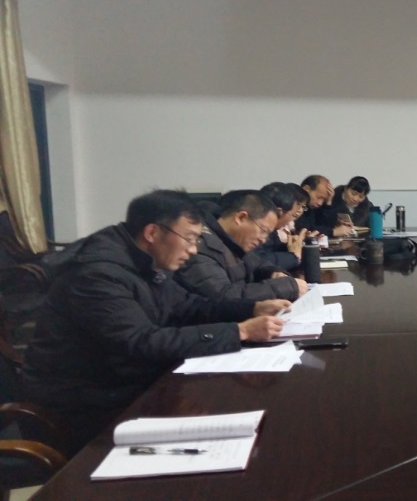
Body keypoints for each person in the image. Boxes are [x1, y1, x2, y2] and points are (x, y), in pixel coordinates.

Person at [20, 190, 290, 454]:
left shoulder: (144, 261)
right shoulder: (98, 274)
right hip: (83, 406)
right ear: (152, 233)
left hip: (123, 384)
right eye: (189, 239)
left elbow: (189, 306)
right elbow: (139, 342)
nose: (194, 250)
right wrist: (239, 332)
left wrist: (252, 307)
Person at [177, 191, 308, 301]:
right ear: (241, 217)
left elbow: (259, 264)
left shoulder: (233, 241)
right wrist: (284, 287)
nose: (263, 240)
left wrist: (273, 273)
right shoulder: (200, 248)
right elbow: (223, 297)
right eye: (263, 231)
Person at [253, 182, 310, 272]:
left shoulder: (273, 230)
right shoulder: (254, 228)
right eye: (292, 215)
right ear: (279, 212)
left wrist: (300, 246)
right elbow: (257, 261)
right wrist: (293, 257)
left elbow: (275, 249)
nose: (291, 220)